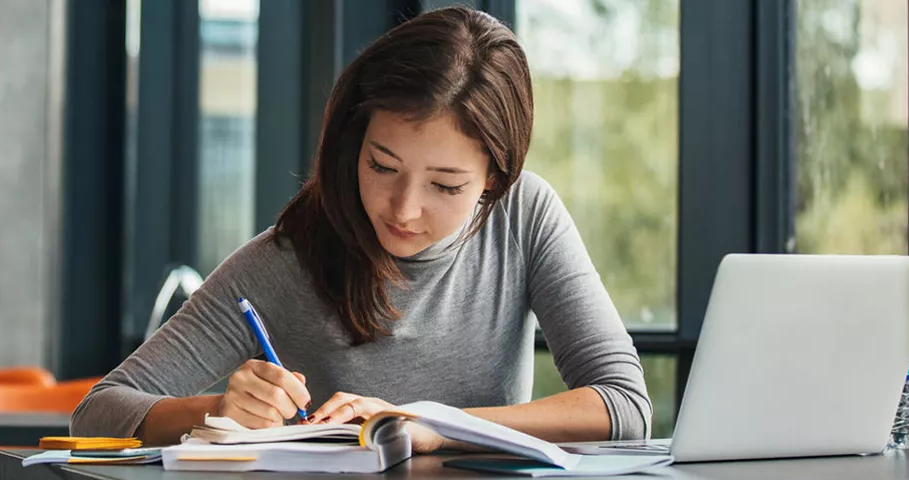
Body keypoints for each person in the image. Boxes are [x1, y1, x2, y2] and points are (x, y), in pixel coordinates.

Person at [71, 6, 650, 453]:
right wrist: (218, 409)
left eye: (445, 186)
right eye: (381, 166)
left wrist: (432, 424)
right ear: (352, 144)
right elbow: (97, 411)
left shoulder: (523, 217)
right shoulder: (287, 259)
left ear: (495, 180)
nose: (403, 209)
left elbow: (623, 405)